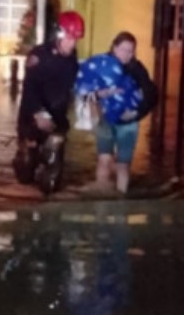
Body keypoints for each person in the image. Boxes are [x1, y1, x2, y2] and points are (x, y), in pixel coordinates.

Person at [13, 10, 84, 194]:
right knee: (26, 171)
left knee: (53, 176)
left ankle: (48, 204)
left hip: (57, 119)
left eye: (75, 39)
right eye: (69, 38)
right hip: (31, 116)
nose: (72, 43)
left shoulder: (72, 61)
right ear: (58, 34)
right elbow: (30, 88)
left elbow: (70, 89)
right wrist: (38, 114)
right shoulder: (39, 55)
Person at [89, 32, 157, 194]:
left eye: (131, 51)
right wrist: (99, 97)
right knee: (104, 160)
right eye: (123, 50)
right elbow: (86, 90)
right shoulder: (101, 65)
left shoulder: (137, 69)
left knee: (122, 165)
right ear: (114, 48)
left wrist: (136, 113)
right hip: (105, 120)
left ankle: (120, 204)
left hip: (128, 123)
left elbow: (151, 96)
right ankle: (101, 203)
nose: (126, 55)